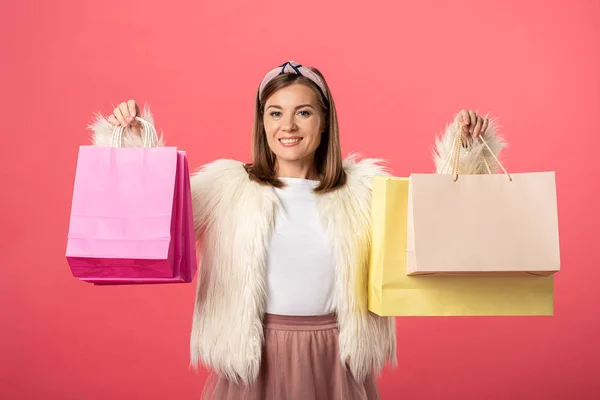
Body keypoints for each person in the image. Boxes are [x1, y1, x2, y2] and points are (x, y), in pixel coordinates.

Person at [88, 61, 505, 399]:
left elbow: (434, 225)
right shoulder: (226, 187)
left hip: (335, 358)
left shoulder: (362, 190)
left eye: (302, 112)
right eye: (275, 113)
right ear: (263, 123)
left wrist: (465, 152)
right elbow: (156, 210)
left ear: (324, 123)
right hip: (253, 358)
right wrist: (129, 143)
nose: (287, 126)